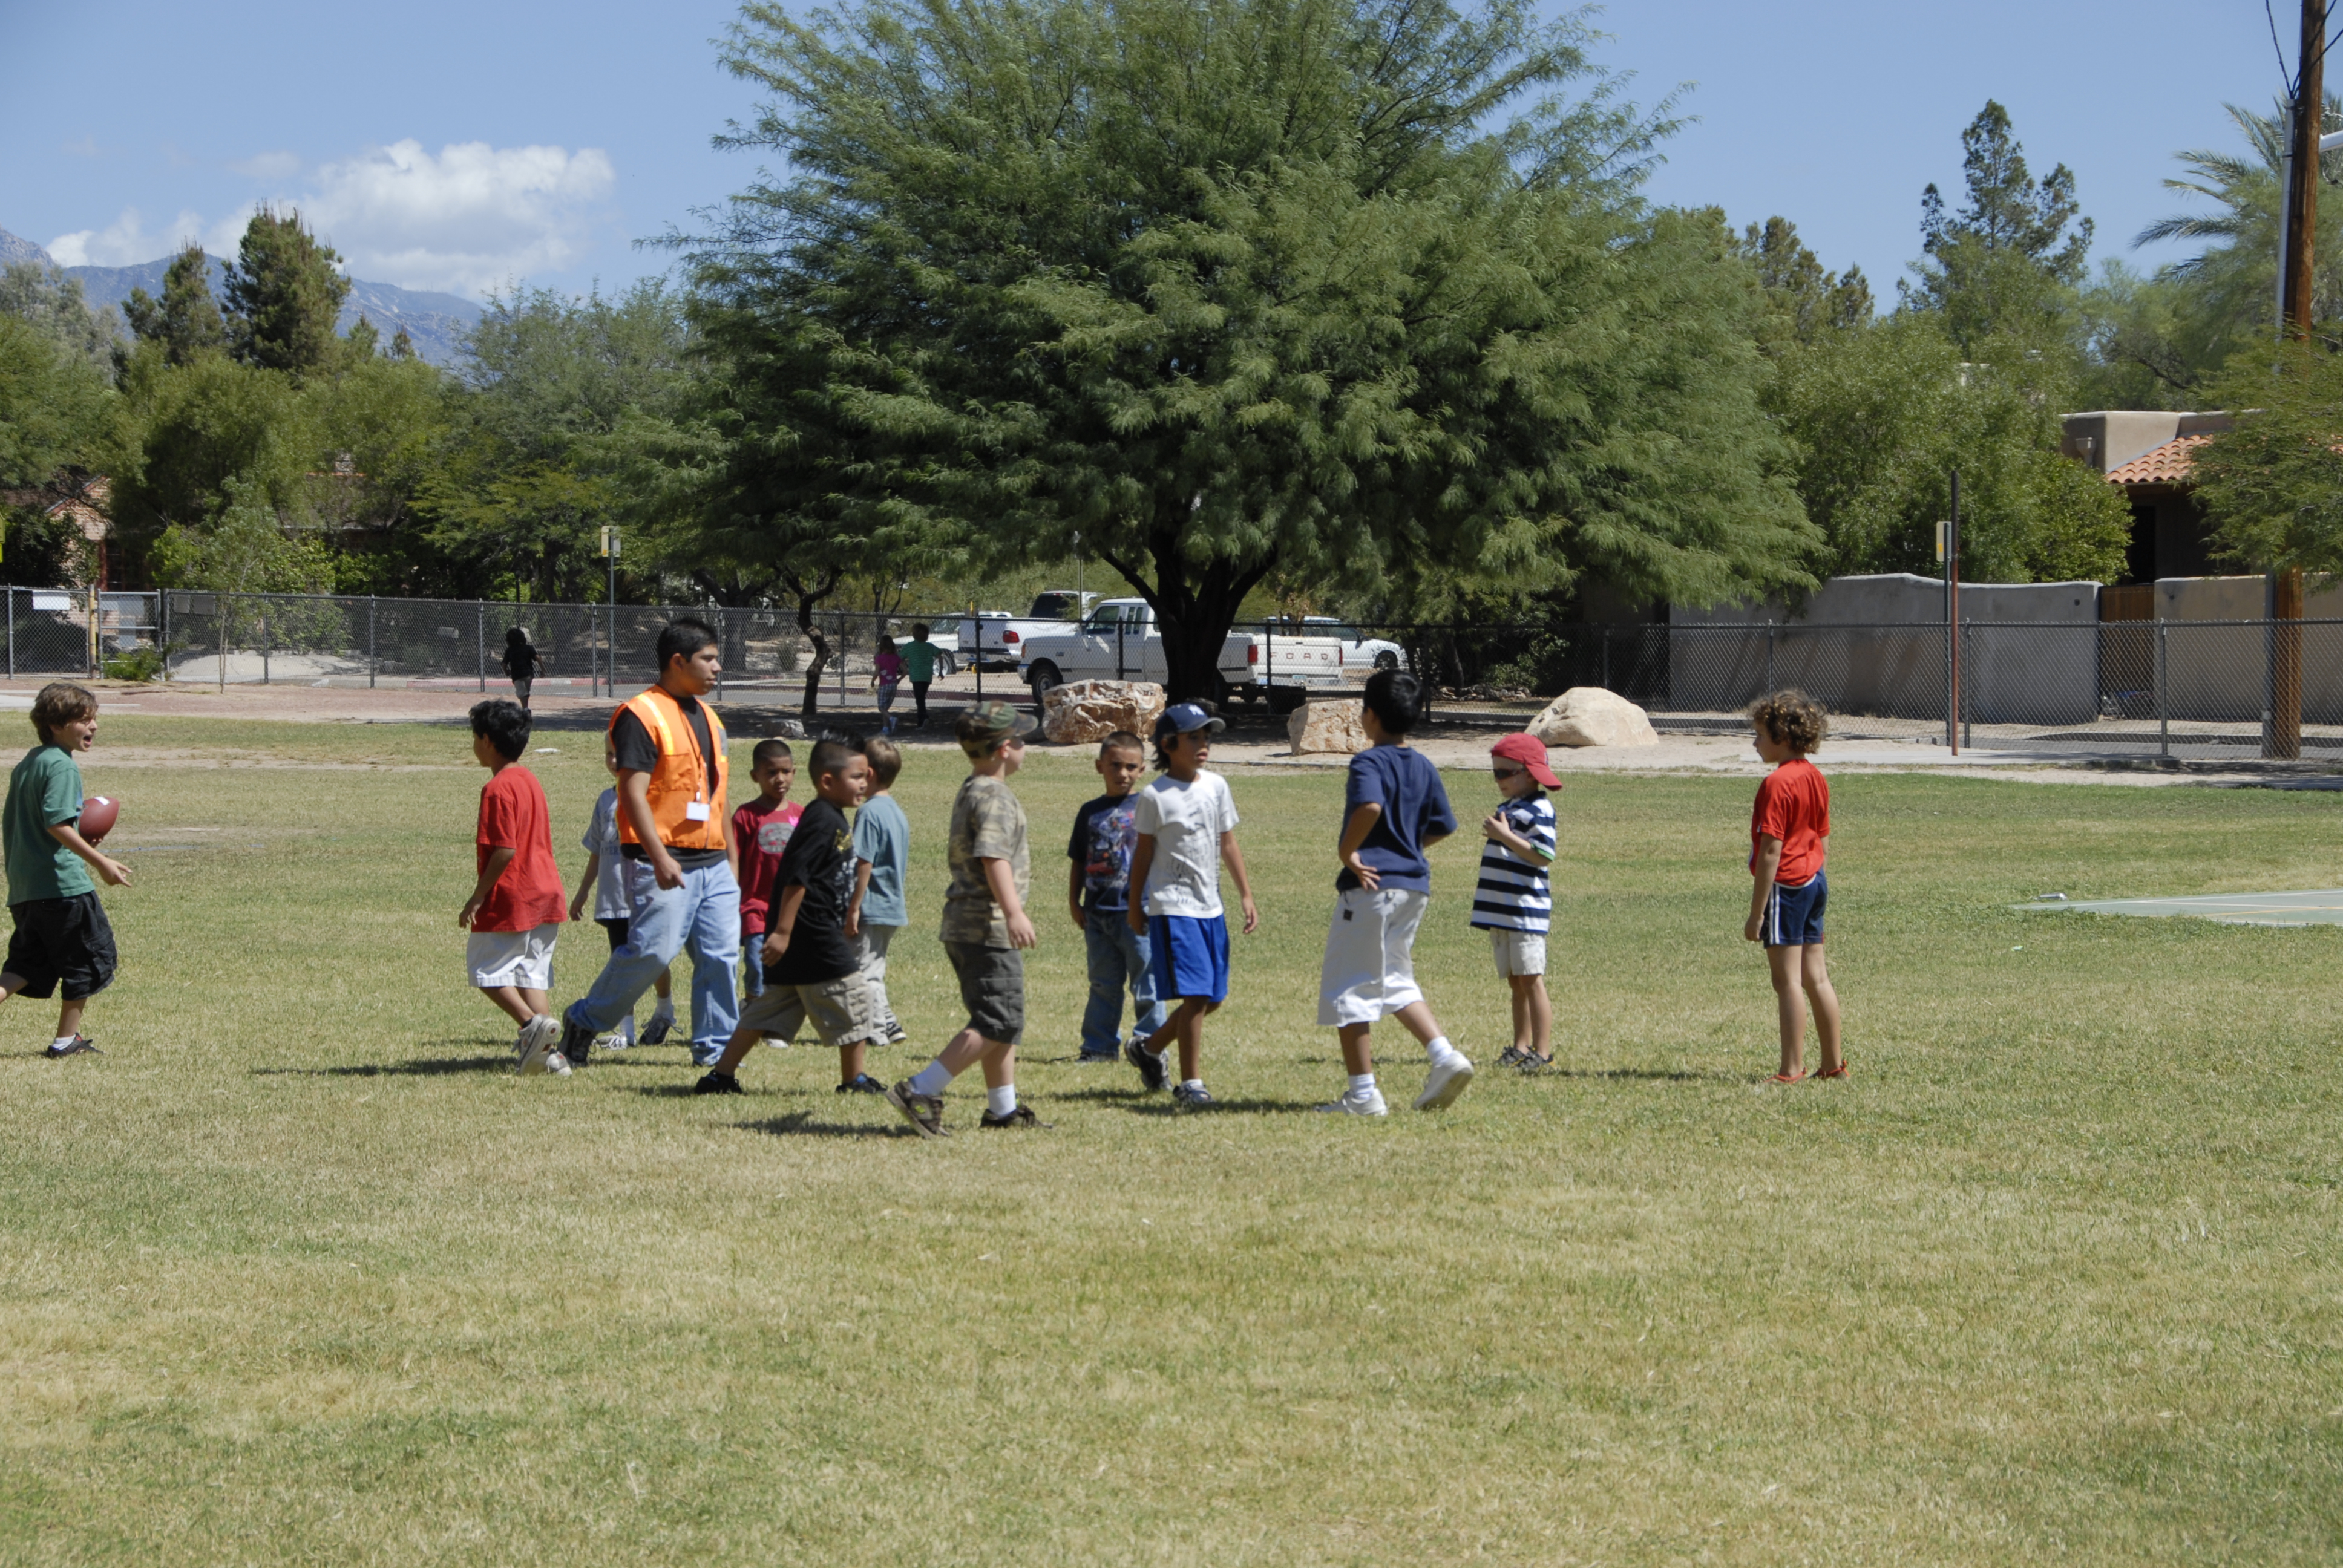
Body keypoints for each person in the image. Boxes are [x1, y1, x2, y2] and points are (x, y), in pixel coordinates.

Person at [555, 619, 740, 1070]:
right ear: (678, 661)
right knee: (652, 952)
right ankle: (584, 1020)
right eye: (709, 659)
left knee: (719, 957)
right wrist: (658, 856)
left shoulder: (711, 718)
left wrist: (732, 864)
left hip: (713, 861)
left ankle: (715, 1053)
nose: (718, 667)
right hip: (665, 861)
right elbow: (631, 793)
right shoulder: (640, 714)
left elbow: (718, 798)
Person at [1316, 668, 1472, 1116]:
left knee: (1349, 989)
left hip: (1371, 890)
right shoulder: (1422, 764)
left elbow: (1369, 805)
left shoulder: (1369, 761)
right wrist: (1407, 850)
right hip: (1413, 887)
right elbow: (1444, 825)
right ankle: (1445, 1056)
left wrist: (1349, 852)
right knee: (1396, 979)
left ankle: (1363, 1095)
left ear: (1370, 716)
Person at [885, 701, 1044, 1136]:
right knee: (999, 1022)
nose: (1025, 746)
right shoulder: (995, 796)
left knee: (998, 1020)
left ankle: (1002, 1110)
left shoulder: (973, 786)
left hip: (966, 924)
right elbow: (992, 855)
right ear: (1005, 747)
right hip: (986, 925)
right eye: (1022, 739)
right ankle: (920, 1089)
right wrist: (1013, 911)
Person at [696, 739, 883, 1094]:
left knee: (767, 1009)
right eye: (857, 776)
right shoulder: (821, 820)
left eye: (867, 776)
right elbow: (796, 876)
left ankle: (720, 1077)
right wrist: (782, 932)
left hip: (801, 937)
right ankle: (854, 1080)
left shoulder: (825, 815)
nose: (864, 783)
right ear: (827, 781)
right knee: (856, 999)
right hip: (811, 935)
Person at [1123, 705, 1255, 1108]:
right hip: (1173, 907)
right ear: (1169, 744)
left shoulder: (1216, 786)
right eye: (1194, 737)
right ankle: (1191, 1083)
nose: (1204, 745)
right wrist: (1135, 904)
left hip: (1210, 907)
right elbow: (1142, 856)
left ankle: (1147, 1049)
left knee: (1213, 998)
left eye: (1206, 737)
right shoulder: (1155, 796)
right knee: (1196, 996)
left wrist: (1245, 894)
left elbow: (1227, 842)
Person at [1, 682, 129, 1059]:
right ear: (55, 725)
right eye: (83, 720)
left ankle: (66, 1040)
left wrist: (80, 840)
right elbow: (56, 825)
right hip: (62, 887)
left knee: (26, 963)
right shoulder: (61, 766)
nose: (92, 727)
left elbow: (45, 826)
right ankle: (66, 1041)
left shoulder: (31, 761)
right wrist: (101, 863)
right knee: (88, 958)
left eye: (94, 720)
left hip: (27, 888)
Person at [460, 699, 569, 1073]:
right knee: (529, 975)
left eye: (475, 737)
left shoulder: (497, 788)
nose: (473, 744)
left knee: (486, 971)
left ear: (488, 741)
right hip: (547, 891)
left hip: (514, 895)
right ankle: (553, 1058)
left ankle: (531, 1027)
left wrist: (478, 896)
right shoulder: (529, 779)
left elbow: (505, 849)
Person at [1744, 688, 1844, 1083]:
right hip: (1814, 881)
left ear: (1782, 738)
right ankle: (1833, 1064)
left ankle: (1791, 1069)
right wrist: (1816, 878)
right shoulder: (1815, 777)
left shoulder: (1777, 784)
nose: (1755, 744)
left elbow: (1771, 851)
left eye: (1760, 736)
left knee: (1786, 982)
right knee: (1816, 977)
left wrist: (1757, 914)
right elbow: (1822, 836)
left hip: (1786, 888)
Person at [568, 732, 677, 1048]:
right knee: (621, 962)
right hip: (614, 897)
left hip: (645, 895)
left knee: (654, 957)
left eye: (620, 754)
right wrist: (583, 891)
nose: (614, 762)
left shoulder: (654, 798)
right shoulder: (605, 800)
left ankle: (665, 1010)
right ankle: (626, 1033)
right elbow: (597, 850)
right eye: (608, 755)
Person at [1066, 730, 1165, 1063]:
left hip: (1139, 914)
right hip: (1098, 915)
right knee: (1102, 984)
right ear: (1099, 766)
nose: (1122, 773)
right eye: (1115, 765)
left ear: (1142, 770)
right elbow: (1079, 859)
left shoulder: (1149, 808)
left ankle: (1150, 1045)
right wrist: (1074, 903)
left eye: (1130, 767)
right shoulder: (1089, 812)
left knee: (1147, 983)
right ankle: (1098, 1046)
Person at [1474, 733, 1560, 1071]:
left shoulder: (1540, 808)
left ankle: (1542, 1051)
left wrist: (1504, 837)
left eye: (1503, 774)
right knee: (1515, 980)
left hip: (1525, 911)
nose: (1498, 781)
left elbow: (1543, 856)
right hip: (1503, 909)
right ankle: (1520, 1046)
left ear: (1528, 773)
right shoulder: (1509, 808)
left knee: (1531, 979)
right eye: (1494, 773)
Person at [848, 735, 910, 1047]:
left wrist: (854, 906)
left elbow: (864, 862)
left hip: (872, 905)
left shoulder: (869, 812)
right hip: (892, 906)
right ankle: (889, 1023)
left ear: (868, 774)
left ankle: (873, 1031)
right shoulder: (896, 811)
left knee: (864, 973)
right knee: (874, 968)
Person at [731, 739, 803, 1004]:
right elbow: (733, 862)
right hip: (755, 908)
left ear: (794, 773)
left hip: (790, 910)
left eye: (785, 772)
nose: (779, 779)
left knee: (786, 967)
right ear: (755, 776)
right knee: (756, 962)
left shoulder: (801, 815)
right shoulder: (745, 816)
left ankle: (774, 1017)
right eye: (771, 773)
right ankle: (752, 1006)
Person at [900, 624, 941, 728]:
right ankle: (923, 718)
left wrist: (903, 666)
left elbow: (900, 657)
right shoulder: (930, 647)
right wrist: (940, 671)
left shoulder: (909, 646)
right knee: (921, 697)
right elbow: (940, 656)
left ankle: (923, 719)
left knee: (919, 699)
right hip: (927, 676)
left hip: (916, 676)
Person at [502, 627, 546, 711]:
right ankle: (525, 708)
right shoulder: (529, 648)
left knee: (522, 693)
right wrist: (543, 670)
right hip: (528, 674)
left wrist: (506, 672)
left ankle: (525, 709)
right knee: (526, 692)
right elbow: (538, 657)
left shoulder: (510, 650)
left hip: (517, 675)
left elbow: (504, 664)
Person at [872, 636, 905, 736]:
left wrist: (872, 681)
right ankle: (886, 728)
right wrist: (899, 680)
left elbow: (877, 672)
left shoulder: (879, 659)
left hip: (884, 685)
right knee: (886, 708)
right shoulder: (896, 657)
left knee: (882, 708)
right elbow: (905, 671)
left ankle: (892, 719)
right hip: (893, 685)